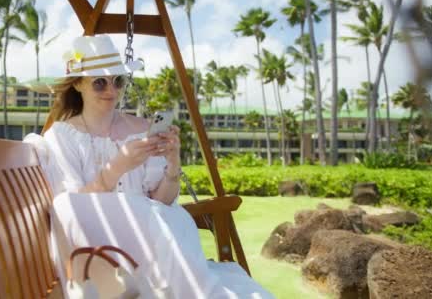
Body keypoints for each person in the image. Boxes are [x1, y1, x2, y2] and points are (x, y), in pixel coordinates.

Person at [30, 35, 273, 298]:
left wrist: (172, 164)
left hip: (154, 234)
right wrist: (117, 167)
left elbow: (162, 200)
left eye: (118, 81)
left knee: (165, 221)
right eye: (99, 83)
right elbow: (70, 208)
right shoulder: (63, 136)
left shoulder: (142, 129)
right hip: (104, 244)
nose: (111, 91)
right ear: (77, 84)